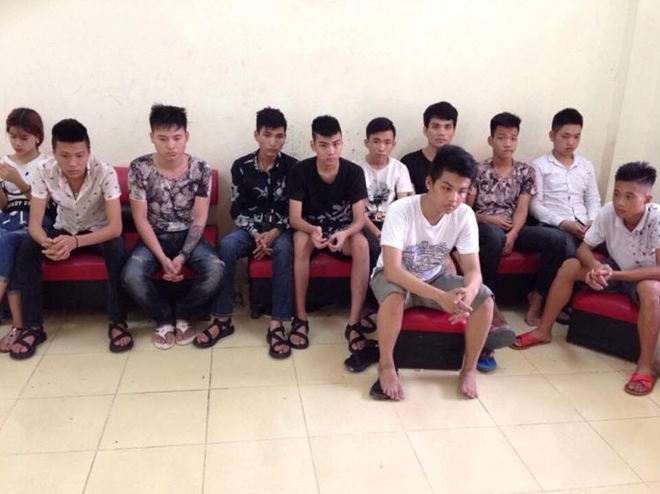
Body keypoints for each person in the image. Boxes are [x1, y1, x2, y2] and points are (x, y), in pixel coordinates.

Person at [512, 162, 660, 396]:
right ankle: (543, 330)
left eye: (629, 196)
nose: (620, 202)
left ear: (647, 199)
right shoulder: (609, 211)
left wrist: (613, 274)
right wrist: (595, 267)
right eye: (617, 194)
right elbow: (584, 249)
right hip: (615, 268)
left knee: (652, 290)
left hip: (645, 277)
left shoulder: (656, 218)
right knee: (570, 266)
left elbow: (658, 271)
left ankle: (644, 365)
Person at [370, 144, 493, 401]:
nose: (454, 198)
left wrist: (469, 293)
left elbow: (473, 270)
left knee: (485, 300)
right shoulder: (401, 209)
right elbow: (392, 270)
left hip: (434, 276)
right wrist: (440, 297)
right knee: (393, 298)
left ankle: (469, 370)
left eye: (462, 191)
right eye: (446, 188)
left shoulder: (464, 215)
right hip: (394, 277)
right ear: (429, 182)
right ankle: (386, 365)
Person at [12, 119, 130, 359]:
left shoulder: (104, 172)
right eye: (65, 156)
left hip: (97, 232)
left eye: (79, 155)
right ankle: (33, 327)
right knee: (27, 246)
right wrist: (47, 243)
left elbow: (115, 228)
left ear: (89, 151)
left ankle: (118, 321)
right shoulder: (43, 171)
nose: (73, 163)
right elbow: (34, 224)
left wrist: (74, 242)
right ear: (54, 152)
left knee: (116, 246)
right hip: (63, 228)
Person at [197, 107, 297, 358]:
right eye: (267, 135)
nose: (273, 142)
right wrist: (256, 235)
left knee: (284, 250)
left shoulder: (294, 168)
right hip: (250, 230)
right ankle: (222, 318)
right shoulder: (241, 167)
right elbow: (237, 208)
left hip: (281, 230)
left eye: (279, 136)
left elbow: (295, 210)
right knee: (227, 246)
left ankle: (277, 322)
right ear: (256, 135)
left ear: (285, 138)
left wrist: (274, 232)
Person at [122, 104, 224, 350]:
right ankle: (163, 317)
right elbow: (141, 219)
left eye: (177, 138)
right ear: (152, 137)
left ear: (186, 136)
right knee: (130, 276)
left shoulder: (200, 169)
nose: (171, 145)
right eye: (163, 138)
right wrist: (162, 257)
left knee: (216, 269)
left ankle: (183, 313)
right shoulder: (139, 168)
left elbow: (199, 218)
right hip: (153, 235)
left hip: (189, 235)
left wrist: (182, 256)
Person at [467, 112, 565, 341]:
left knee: (556, 239)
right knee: (493, 236)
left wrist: (513, 234)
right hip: (485, 227)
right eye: (501, 138)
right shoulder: (477, 170)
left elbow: (522, 209)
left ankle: (537, 297)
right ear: (490, 140)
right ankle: (488, 300)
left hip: (515, 228)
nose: (508, 143)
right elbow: (466, 211)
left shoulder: (525, 171)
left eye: (513, 138)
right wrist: (488, 219)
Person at [288, 115, 371, 353]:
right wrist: (312, 230)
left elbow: (359, 219)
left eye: (336, 144)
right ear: (313, 145)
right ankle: (301, 318)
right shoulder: (300, 171)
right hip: (311, 230)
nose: (331, 151)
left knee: (362, 245)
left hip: (342, 231)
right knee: (300, 241)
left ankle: (354, 322)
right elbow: (295, 218)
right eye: (323, 145)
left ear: (342, 143)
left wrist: (345, 233)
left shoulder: (353, 172)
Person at [0, 108, 50, 352]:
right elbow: (3, 205)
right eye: (12, 137)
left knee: (9, 242)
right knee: (7, 243)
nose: (17, 143)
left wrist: (19, 182)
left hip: (36, 218)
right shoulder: (4, 162)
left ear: (37, 137)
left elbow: (46, 205)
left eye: (24, 138)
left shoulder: (48, 164)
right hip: (8, 218)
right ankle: (18, 326)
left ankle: (19, 325)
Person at [530, 108, 601, 259]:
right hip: (555, 226)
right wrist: (563, 223)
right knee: (567, 250)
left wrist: (592, 221)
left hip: (586, 225)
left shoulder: (586, 165)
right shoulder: (539, 165)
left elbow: (593, 199)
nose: (571, 142)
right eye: (565, 136)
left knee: (619, 246)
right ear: (552, 136)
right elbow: (535, 206)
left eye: (576, 137)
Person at [357, 117, 414, 271]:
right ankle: (375, 284)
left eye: (387, 142)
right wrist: (378, 233)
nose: (381, 147)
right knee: (374, 247)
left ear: (393, 144)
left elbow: (403, 205)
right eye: (376, 141)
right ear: (366, 142)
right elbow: (357, 211)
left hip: (391, 222)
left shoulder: (400, 169)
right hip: (364, 222)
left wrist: (390, 231)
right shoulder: (355, 168)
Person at [401, 101, 458, 194]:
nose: (441, 133)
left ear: (454, 131)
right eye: (435, 127)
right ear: (425, 130)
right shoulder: (409, 163)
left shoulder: (461, 163)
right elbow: (408, 200)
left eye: (447, 127)